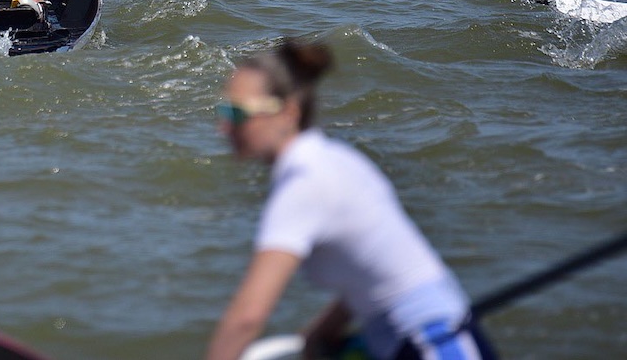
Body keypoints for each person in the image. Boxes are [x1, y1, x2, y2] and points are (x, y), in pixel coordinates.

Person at [204, 40, 498, 360]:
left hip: (434, 344)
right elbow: (374, 272)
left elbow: (248, 317)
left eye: (237, 114)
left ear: (288, 112)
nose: (224, 127)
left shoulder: (304, 185)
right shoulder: (335, 159)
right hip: (412, 341)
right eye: (224, 111)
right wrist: (325, 330)